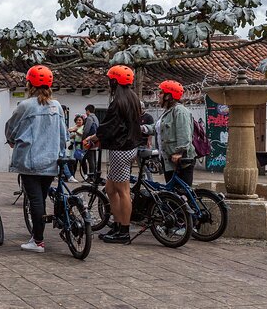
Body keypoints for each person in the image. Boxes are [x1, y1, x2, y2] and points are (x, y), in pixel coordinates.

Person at [6, 65, 67, 253]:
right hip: (51, 160)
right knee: (41, 196)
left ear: (29, 84)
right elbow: (63, 134)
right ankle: (38, 234)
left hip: (30, 162)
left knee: (35, 200)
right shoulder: (56, 106)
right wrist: (62, 152)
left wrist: (10, 140)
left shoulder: (25, 105)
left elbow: (11, 128)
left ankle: (38, 241)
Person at [84, 66, 142, 244]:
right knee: (110, 189)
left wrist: (93, 137)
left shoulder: (118, 102)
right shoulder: (132, 99)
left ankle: (123, 230)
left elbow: (108, 126)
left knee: (123, 191)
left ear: (114, 81)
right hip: (128, 148)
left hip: (120, 150)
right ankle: (116, 225)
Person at [142, 80, 196, 186]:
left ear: (168, 96)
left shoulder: (180, 111)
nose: (158, 95)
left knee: (181, 195)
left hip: (180, 161)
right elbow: (157, 128)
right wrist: (142, 128)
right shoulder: (167, 112)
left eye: (161, 93)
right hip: (169, 161)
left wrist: (179, 152)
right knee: (172, 195)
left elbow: (184, 133)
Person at [80, 104, 100, 178]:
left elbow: (86, 130)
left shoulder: (89, 118)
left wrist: (84, 139)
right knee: (94, 159)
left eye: (86, 111)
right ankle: (94, 174)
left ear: (88, 111)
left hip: (89, 140)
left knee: (90, 159)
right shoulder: (96, 118)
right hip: (95, 140)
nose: (86, 113)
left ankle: (91, 176)